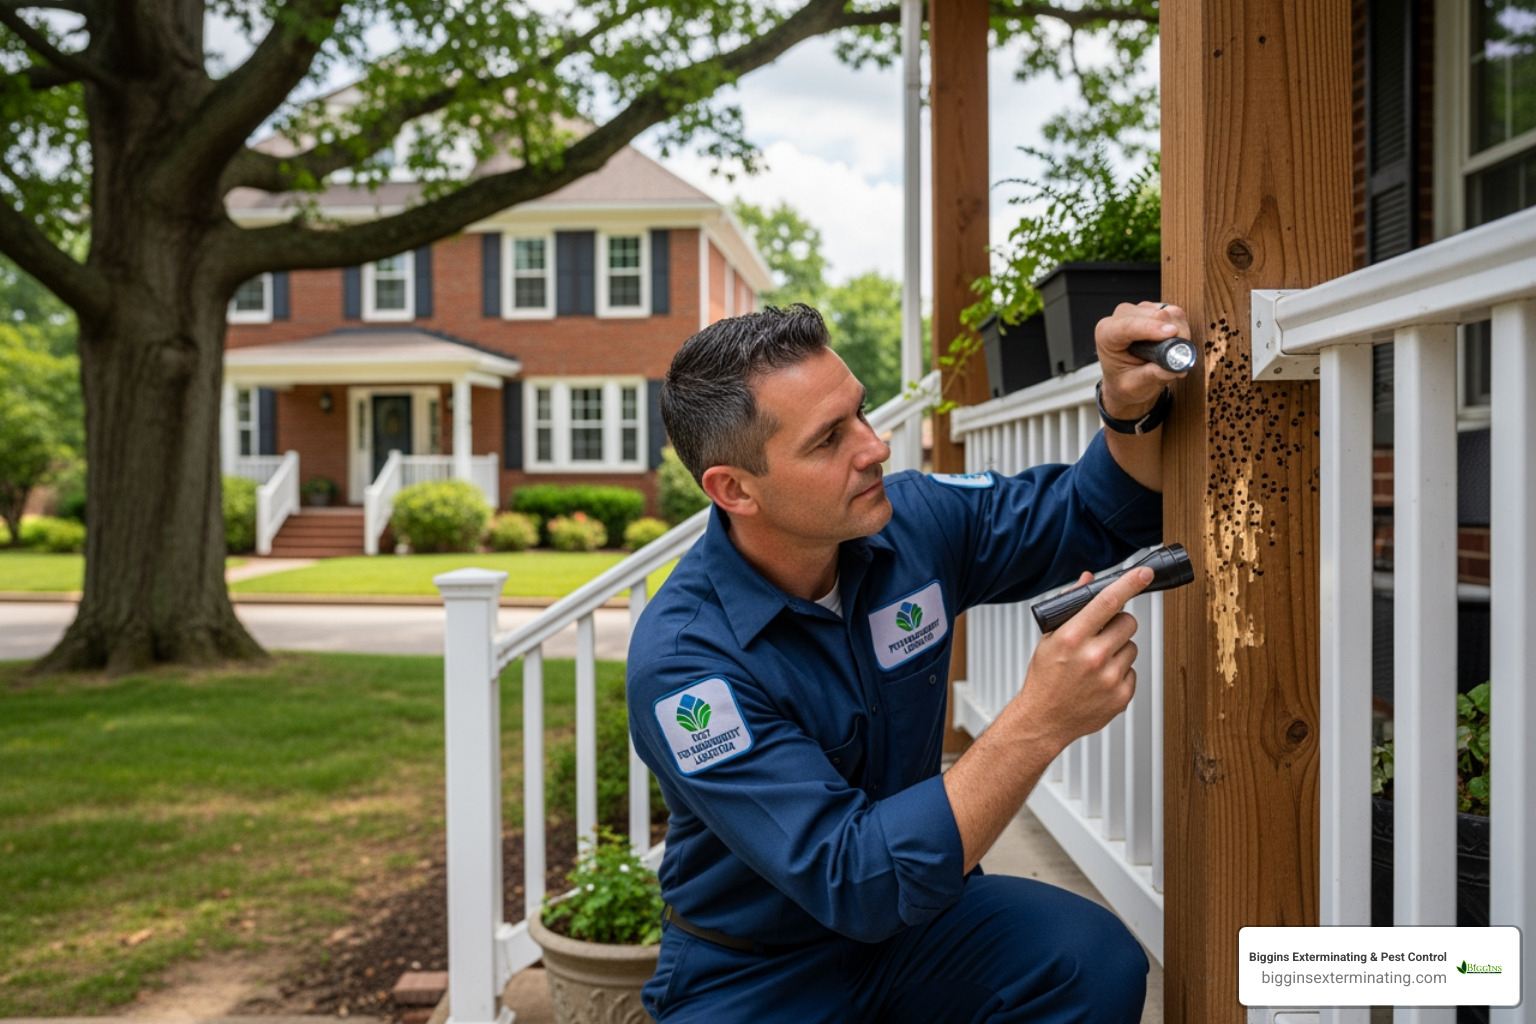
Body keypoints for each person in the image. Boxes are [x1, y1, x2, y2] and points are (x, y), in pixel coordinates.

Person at [626, 300, 1191, 1023]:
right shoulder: (685, 667)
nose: (876, 447)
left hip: (923, 933)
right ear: (734, 489)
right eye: (830, 439)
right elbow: (856, 879)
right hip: (754, 974)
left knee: (1089, 958)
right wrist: (1040, 721)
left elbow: (1097, 514)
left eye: (859, 413)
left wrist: (1125, 402)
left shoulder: (912, 524)